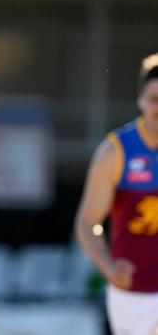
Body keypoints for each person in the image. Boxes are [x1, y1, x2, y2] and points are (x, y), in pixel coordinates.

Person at [75, 53, 158, 335]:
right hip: (132, 294)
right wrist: (107, 265)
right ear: (141, 101)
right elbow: (87, 223)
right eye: (154, 99)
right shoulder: (115, 152)